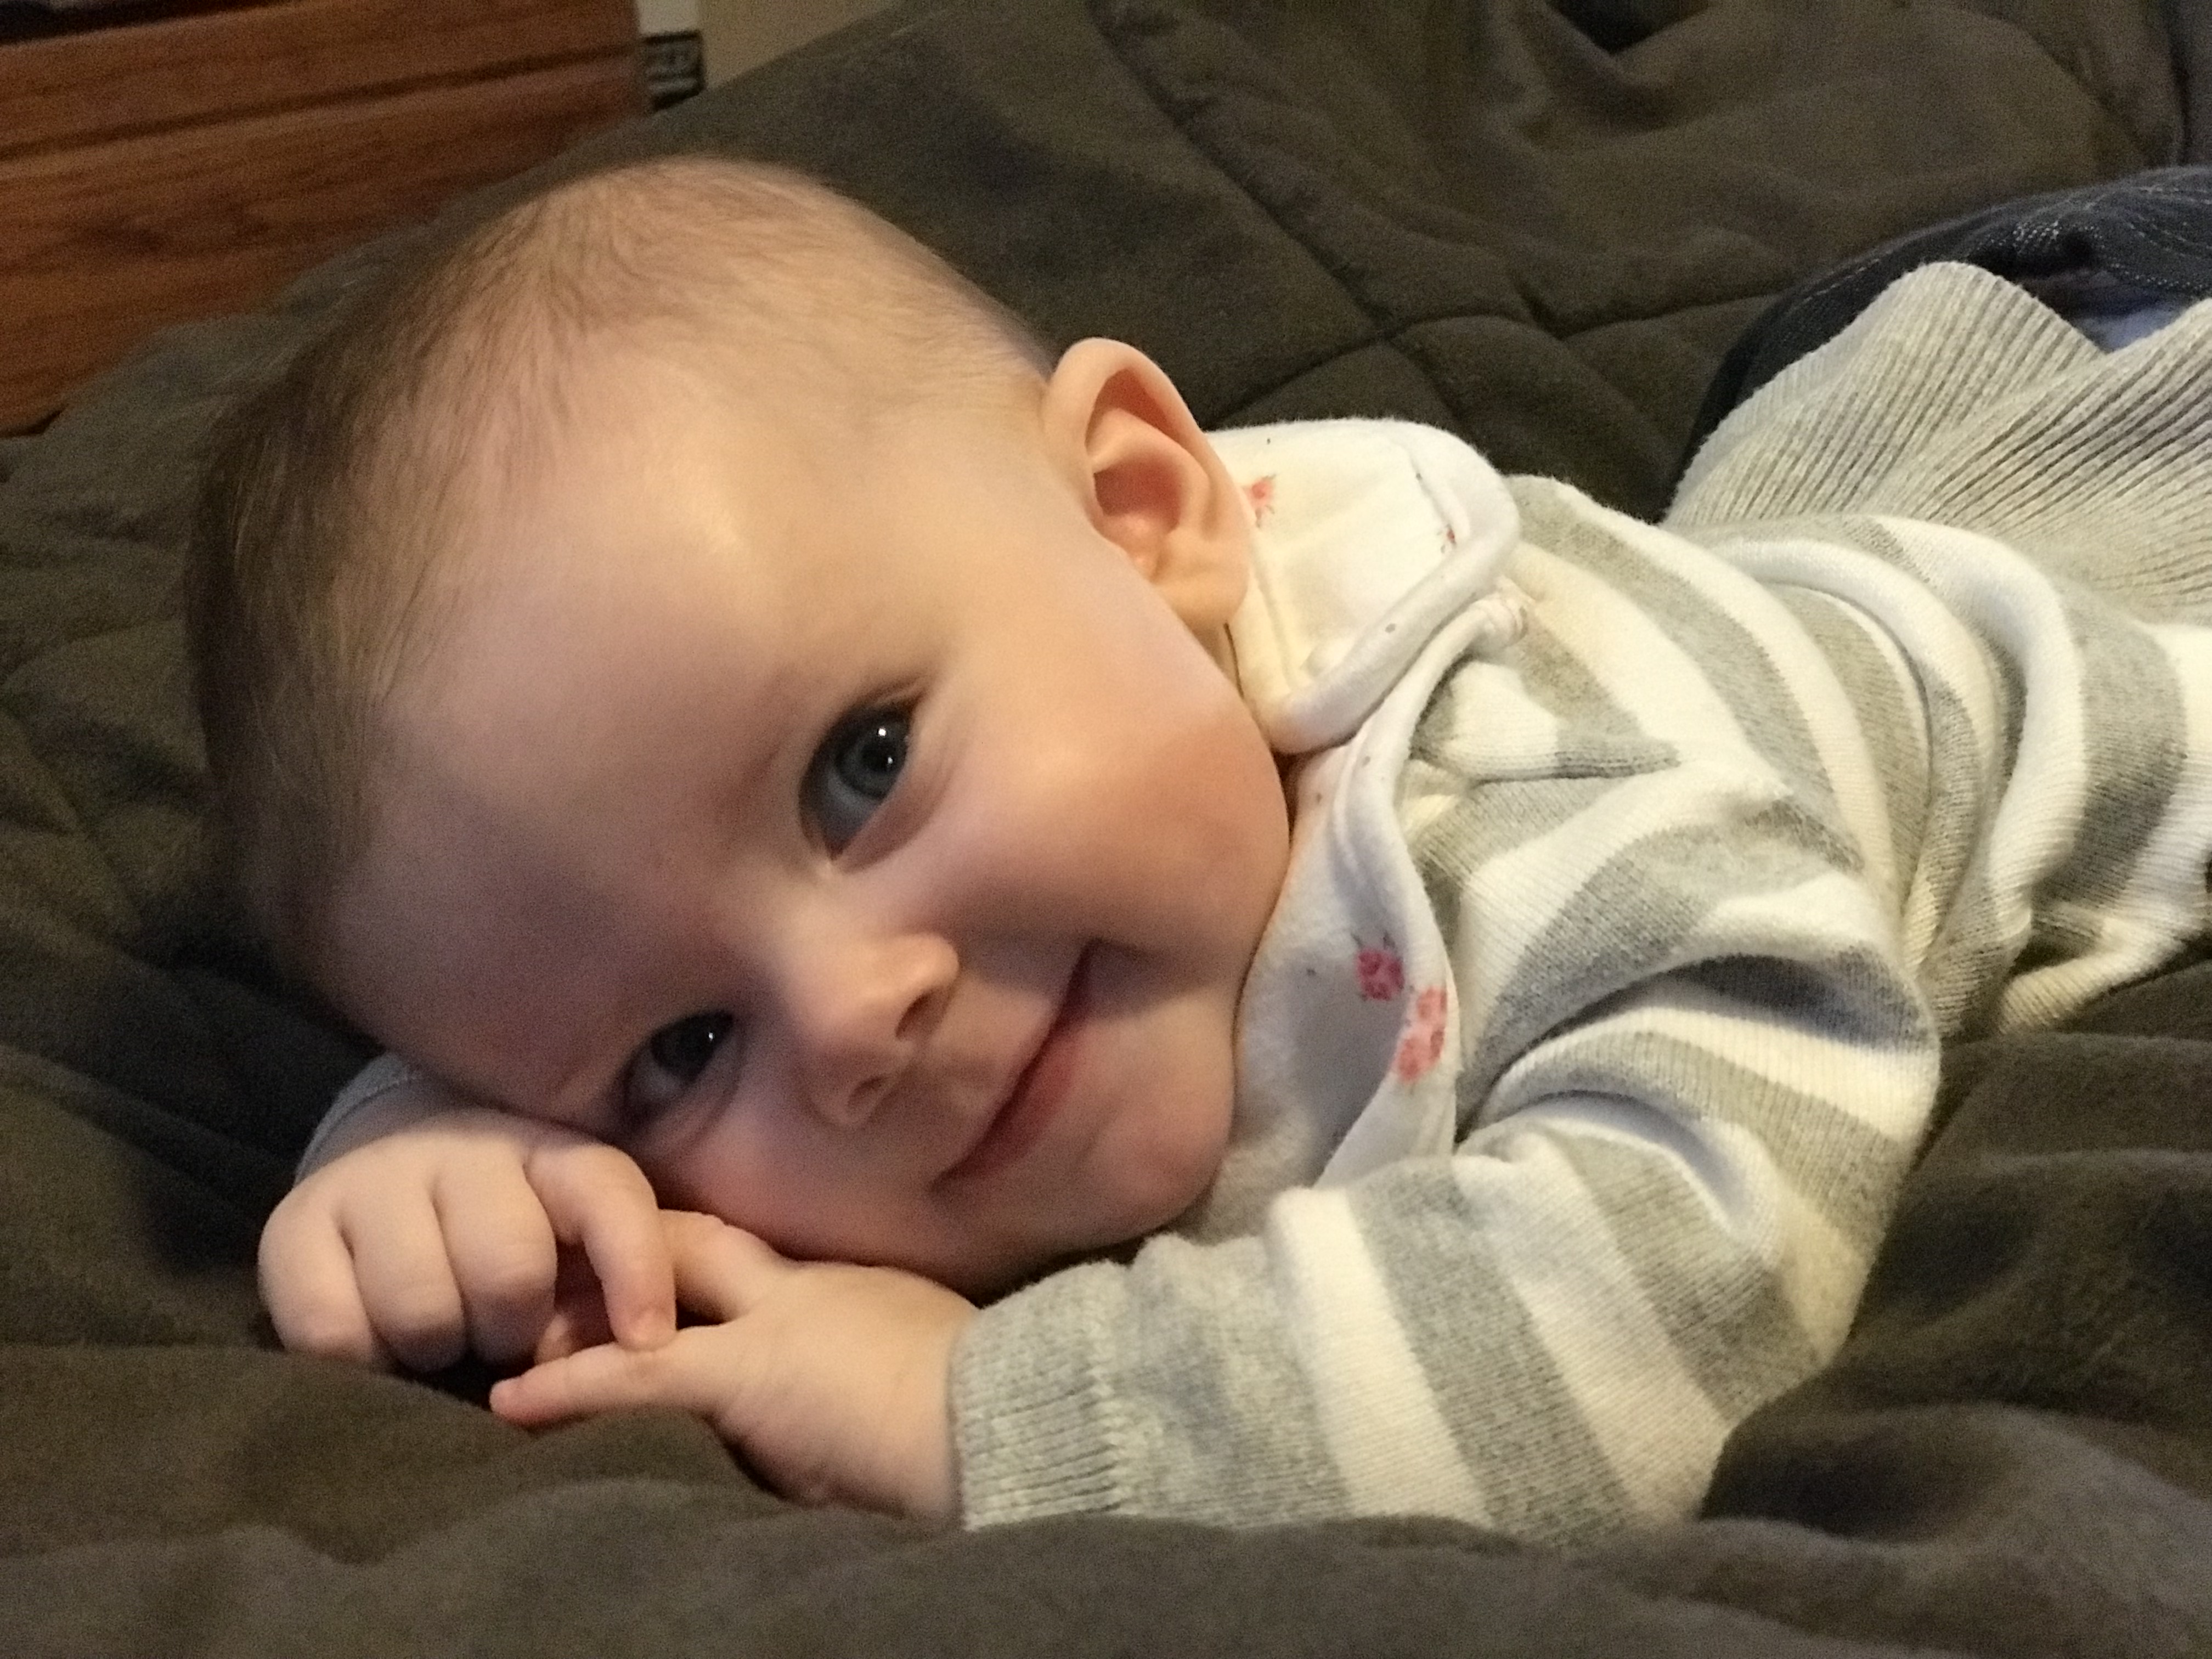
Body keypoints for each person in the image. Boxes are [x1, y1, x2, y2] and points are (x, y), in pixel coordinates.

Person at [190, 154, 2212, 1541]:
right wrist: (427, 1152)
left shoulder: (1555, 816)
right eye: (679, 1050)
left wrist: (980, 1416)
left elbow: (1674, 1306)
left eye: (863, 768)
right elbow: (541, 945)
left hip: (2109, 498)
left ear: (1149, 515)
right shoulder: (918, 823)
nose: (858, 1021)